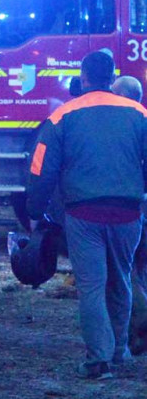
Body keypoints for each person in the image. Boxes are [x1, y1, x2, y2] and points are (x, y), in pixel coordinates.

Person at [26, 51, 147, 379]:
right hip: (128, 215)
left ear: (84, 76)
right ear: (111, 77)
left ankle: (98, 360)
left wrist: (35, 211)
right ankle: (119, 350)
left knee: (92, 285)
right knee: (120, 279)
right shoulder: (139, 113)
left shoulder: (63, 115)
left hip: (83, 214)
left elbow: (41, 167)